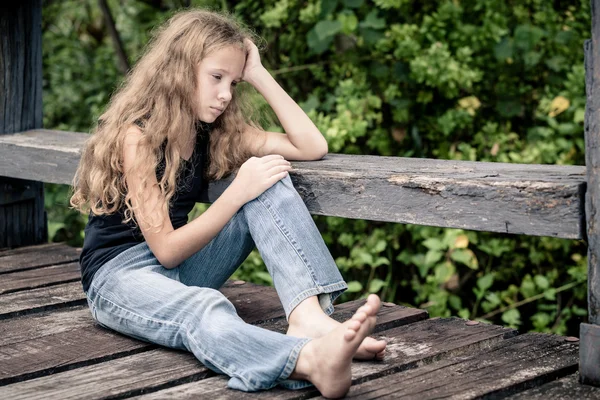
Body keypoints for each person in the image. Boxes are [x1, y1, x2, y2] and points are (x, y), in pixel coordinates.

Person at [70, 8, 387, 398]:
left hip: (180, 269)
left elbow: (312, 145)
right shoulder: (138, 136)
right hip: (118, 278)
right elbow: (167, 250)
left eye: (234, 82)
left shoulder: (214, 132)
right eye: (216, 77)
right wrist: (238, 191)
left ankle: (308, 316)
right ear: (179, 70)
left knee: (270, 180)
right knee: (204, 306)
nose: (226, 94)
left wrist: (258, 73)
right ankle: (307, 360)